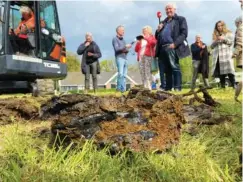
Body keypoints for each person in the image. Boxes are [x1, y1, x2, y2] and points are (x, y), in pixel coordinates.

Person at [155, 2, 190, 91]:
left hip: (172, 46)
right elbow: (156, 36)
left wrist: (175, 44)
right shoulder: (164, 22)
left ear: (174, 9)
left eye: (170, 8)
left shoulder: (180, 19)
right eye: (166, 9)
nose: (168, 10)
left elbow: (184, 33)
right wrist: (158, 30)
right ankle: (168, 88)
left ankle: (177, 88)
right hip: (162, 48)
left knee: (174, 67)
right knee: (167, 70)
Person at [211, 21, 235, 89]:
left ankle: (234, 85)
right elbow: (212, 46)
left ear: (223, 26)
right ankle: (222, 86)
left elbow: (231, 43)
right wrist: (216, 41)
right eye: (218, 26)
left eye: (221, 26)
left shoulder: (229, 33)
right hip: (218, 55)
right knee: (221, 72)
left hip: (226, 55)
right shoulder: (215, 35)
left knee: (230, 70)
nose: (219, 27)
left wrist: (223, 39)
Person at [134, 26, 157, 90]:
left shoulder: (152, 37)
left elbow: (153, 43)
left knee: (147, 71)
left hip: (148, 56)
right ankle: (144, 86)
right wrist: (138, 42)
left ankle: (149, 85)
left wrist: (146, 38)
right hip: (141, 57)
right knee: (142, 71)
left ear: (149, 31)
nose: (144, 32)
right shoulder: (141, 40)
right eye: (143, 30)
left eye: (145, 30)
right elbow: (136, 50)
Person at [112, 25, 132, 93]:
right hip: (119, 58)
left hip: (125, 58)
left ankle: (123, 90)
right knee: (120, 73)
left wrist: (127, 49)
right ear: (118, 31)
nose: (124, 31)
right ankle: (118, 89)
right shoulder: (115, 39)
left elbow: (124, 49)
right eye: (122, 30)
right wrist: (125, 46)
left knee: (124, 75)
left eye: (124, 30)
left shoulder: (123, 40)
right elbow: (117, 49)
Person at [233, 16, 242, 102]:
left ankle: (236, 97)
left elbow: (239, 43)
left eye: (235, 23)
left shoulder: (240, 29)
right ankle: (236, 97)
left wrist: (234, 54)